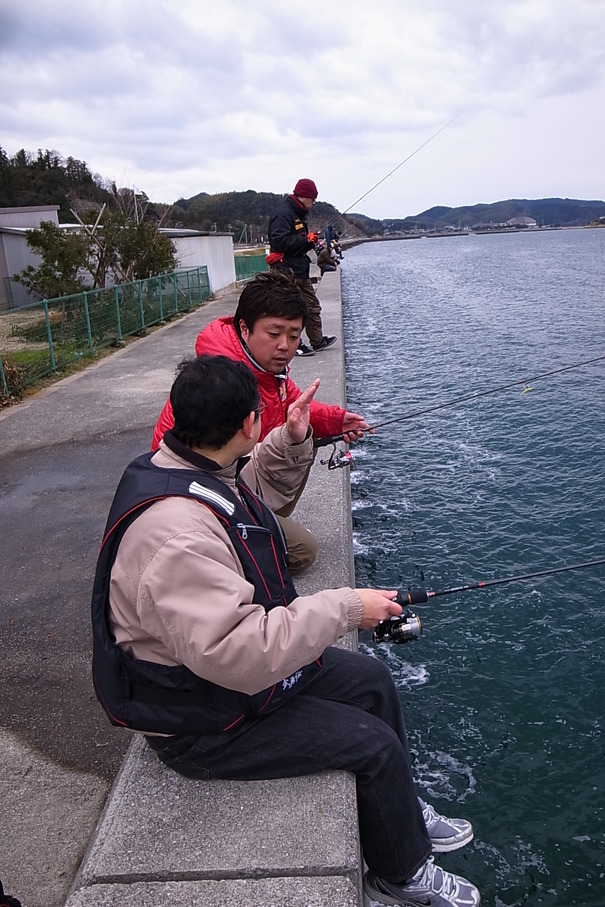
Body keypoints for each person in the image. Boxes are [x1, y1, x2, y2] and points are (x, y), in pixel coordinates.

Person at [92, 355, 480, 907]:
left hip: (215, 681)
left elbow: (244, 497)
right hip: (197, 720)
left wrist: (292, 441)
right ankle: (400, 873)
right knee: (371, 747)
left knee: (371, 681)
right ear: (249, 422)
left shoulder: (185, 468)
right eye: (263, 418)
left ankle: (400, 809)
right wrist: (346, 607)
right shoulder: (175, 539)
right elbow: (237, 652)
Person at [150, 271, 369, 573]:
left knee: (303, 434)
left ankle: (262, 519)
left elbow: (294, 405)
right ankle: (239, 543)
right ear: (244, 328)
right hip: (195, 494)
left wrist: (336, 420)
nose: (285, 346)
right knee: (303, 551)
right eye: (274, 333)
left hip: (229, 476)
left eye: (294, 336)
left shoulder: (262, 369)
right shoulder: (224, 383)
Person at [267, 178, 336, 356]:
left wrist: (309, 242)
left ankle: (317, 341)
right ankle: (295, 345)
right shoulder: (283, 214)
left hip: (300, 269)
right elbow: (279, 241)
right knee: (289, 311)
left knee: (312, 306)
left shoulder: (299, 215)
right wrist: (305, 239)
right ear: (303, 196)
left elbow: (296, 243)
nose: (314, 202)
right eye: (312, 198)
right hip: (285, 270)